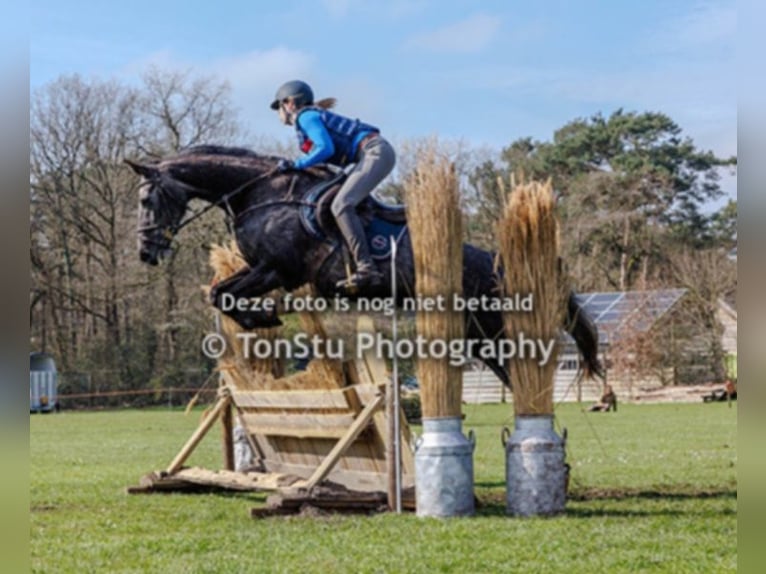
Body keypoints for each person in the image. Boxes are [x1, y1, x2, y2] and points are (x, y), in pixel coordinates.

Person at [270, 80, 396, 290]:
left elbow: (325, 148)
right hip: (371, 153)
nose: (278, 113)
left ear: (290, 103)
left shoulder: (306, 116)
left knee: (341, 205)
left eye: (279, 107)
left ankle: (367, 268)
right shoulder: (310, 116)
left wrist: (296, 164)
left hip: (374, 152)